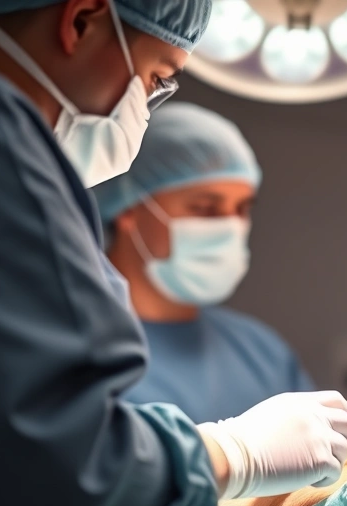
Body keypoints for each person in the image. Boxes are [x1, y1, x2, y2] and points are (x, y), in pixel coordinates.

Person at [0, 2, 347, 506]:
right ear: (81, 19)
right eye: (156, 77)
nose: (229, 226)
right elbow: (67, 499)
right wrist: (238, 453)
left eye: (242, 209)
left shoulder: (254, 347)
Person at [92, 102, 315, 424]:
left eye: (242, 209)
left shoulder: (262, 353)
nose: (230, 226)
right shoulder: (74, 349)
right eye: (205, 208)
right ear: (129, 208)